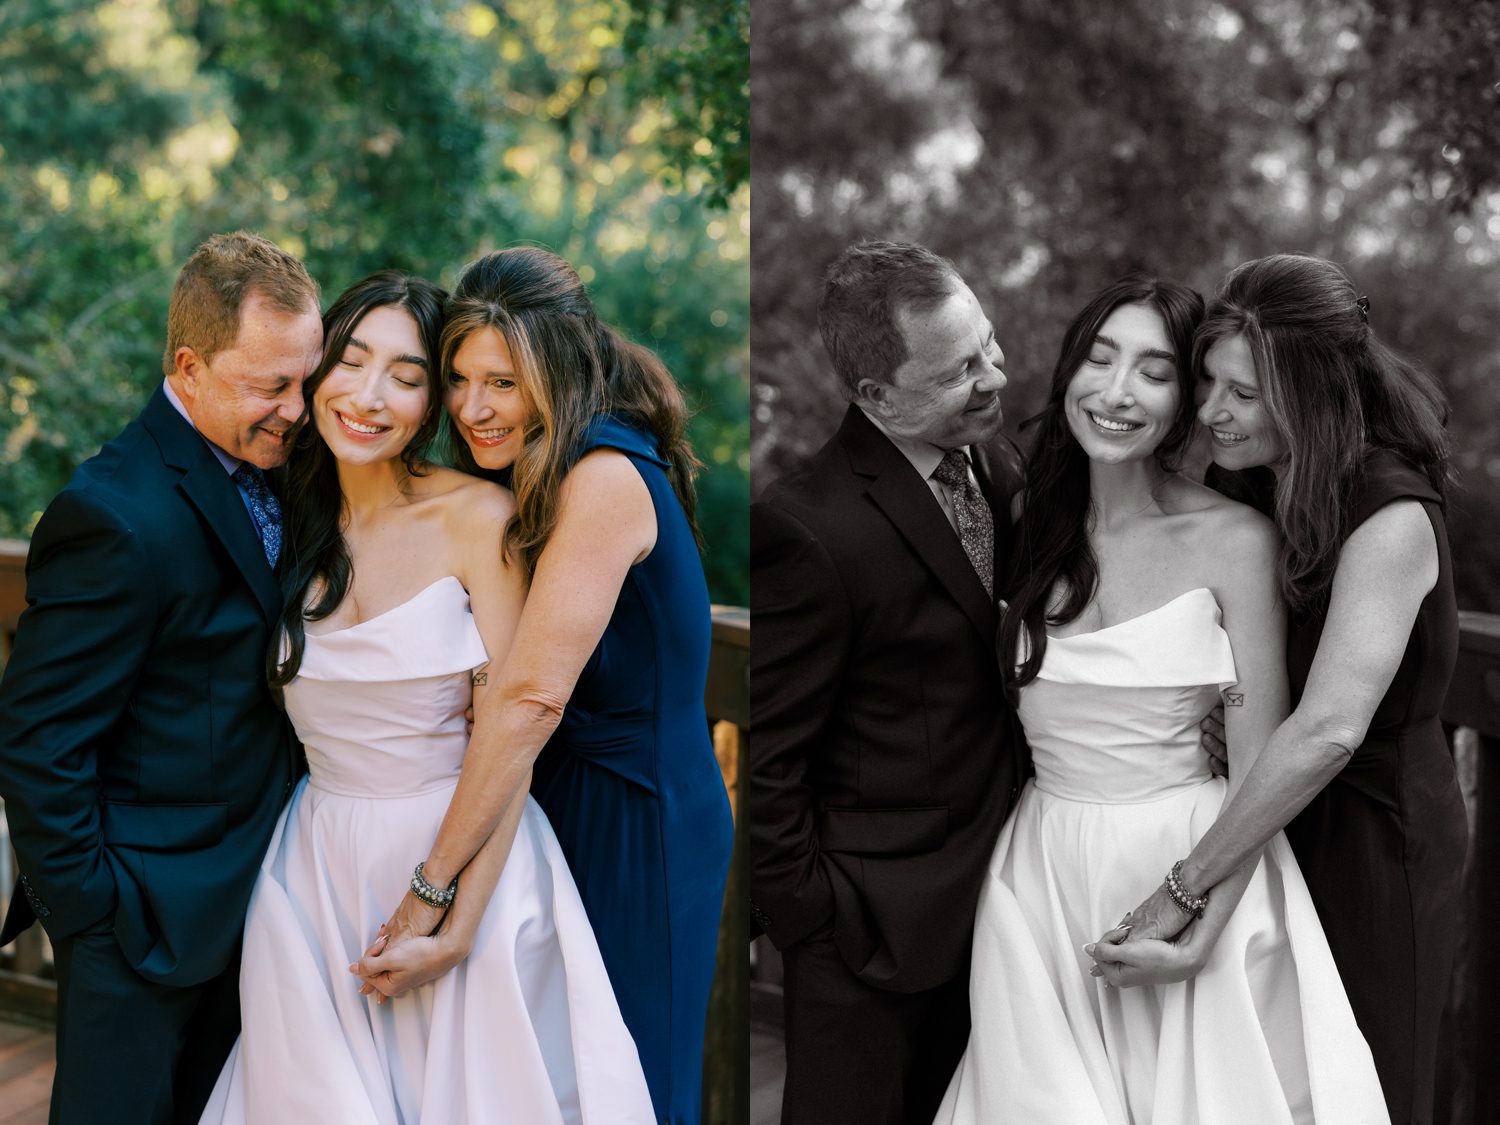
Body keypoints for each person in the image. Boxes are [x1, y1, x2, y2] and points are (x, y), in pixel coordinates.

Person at [198, 271, 654, 1123]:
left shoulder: (482, 518)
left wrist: (450, 918)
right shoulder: (279, 523)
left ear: (428, 405)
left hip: (470, 848)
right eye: (351, 362)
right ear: (316, 372)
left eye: (406, 376)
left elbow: (511, 734)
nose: (370, 397)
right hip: (314, 873)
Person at [938, 273, 1387, 1123]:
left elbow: (1259, 755)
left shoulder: (1237, 538)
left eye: (1153, 370)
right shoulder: (1026, 515)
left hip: (1195, 855)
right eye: (1100, 359)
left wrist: (1201, 930)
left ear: (1186, 400)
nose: (1116, 391)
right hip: (1040, 873)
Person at [350, 248, 733, 1125]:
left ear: (557, 373)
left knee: (628, 1075)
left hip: (642, 818)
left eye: (504, 382)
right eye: (458, 378)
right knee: (547, 1077)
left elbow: (528, 698)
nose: (473, 408)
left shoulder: (601, 479)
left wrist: (432, 886)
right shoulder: (526, 473)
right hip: (551, 799)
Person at [1100, 254, 1466, 1125]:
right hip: (1271, 814)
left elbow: (1331, 728)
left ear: (1313, 392)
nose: (1213, 412)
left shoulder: (1390, 514)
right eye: (1208, 383)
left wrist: (1180, 890)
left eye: (1245, 393)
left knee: (1364, 1088)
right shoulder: (1255, 479)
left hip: (1375, 844)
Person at [0, 231, 322, 1122]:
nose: (299, 409)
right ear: (189, 366)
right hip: (140, 929)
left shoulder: (282, 469)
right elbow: (37, 740)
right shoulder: (112, 516)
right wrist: (93, 917)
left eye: (306, 379)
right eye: (272, 385)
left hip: (262, 908)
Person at [749, 240, 1027, 1125]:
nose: (993, 377)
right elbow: (771, 760)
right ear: (876, 396)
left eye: (988, 345)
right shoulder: (806, 529)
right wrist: (816, 920)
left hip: (1000, 910)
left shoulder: (1000, 466)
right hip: (867, 940)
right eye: (959, 371)